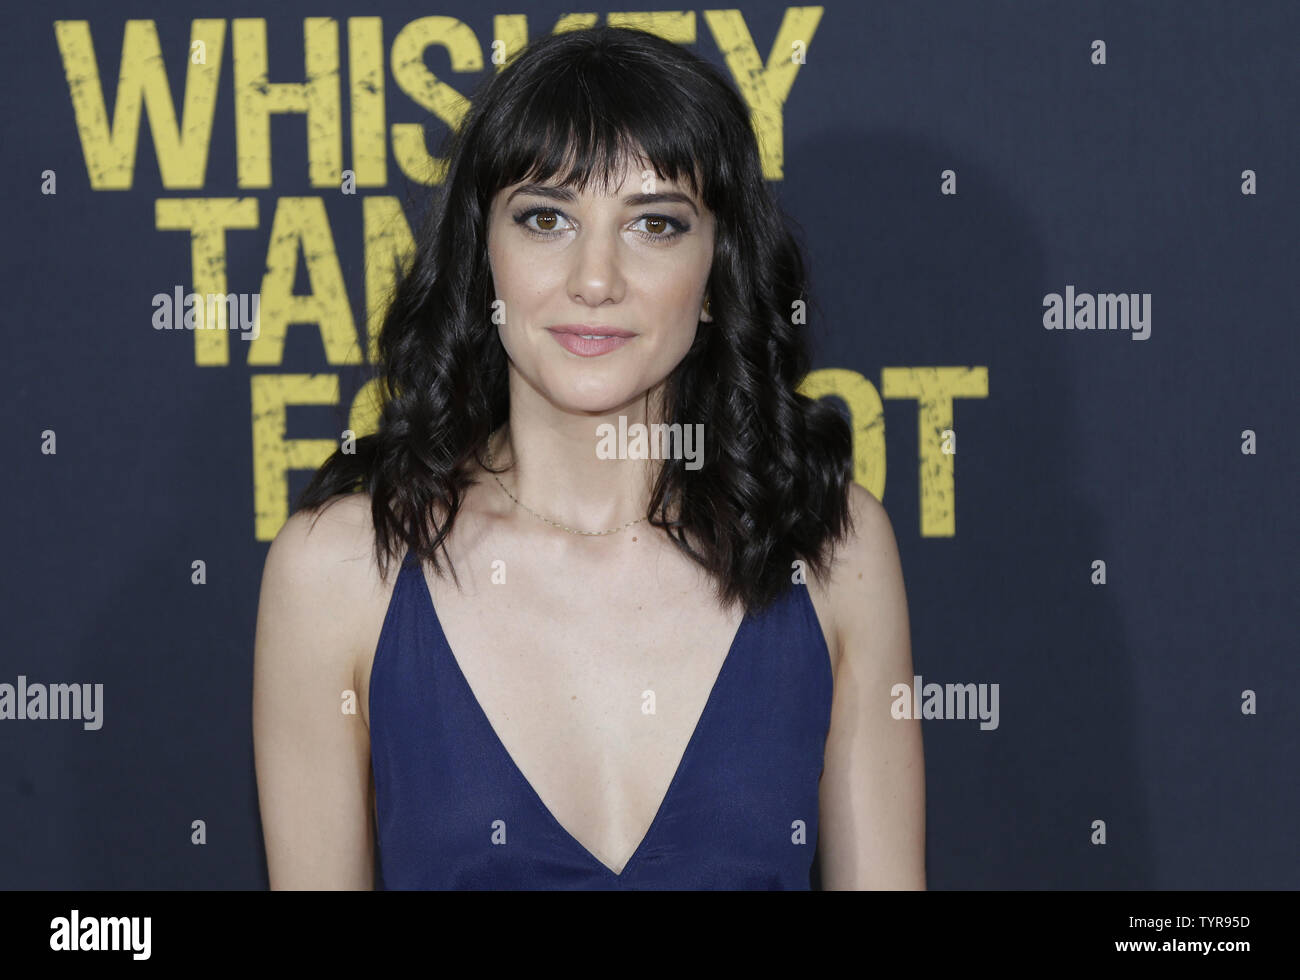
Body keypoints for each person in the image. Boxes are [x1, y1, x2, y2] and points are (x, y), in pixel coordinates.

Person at [252, 24, 924, 890]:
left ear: (719, 274)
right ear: (483, 255)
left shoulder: (830, 547)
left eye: (653, 224)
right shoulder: (341, 570)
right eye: (546, 218)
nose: (595, 277)